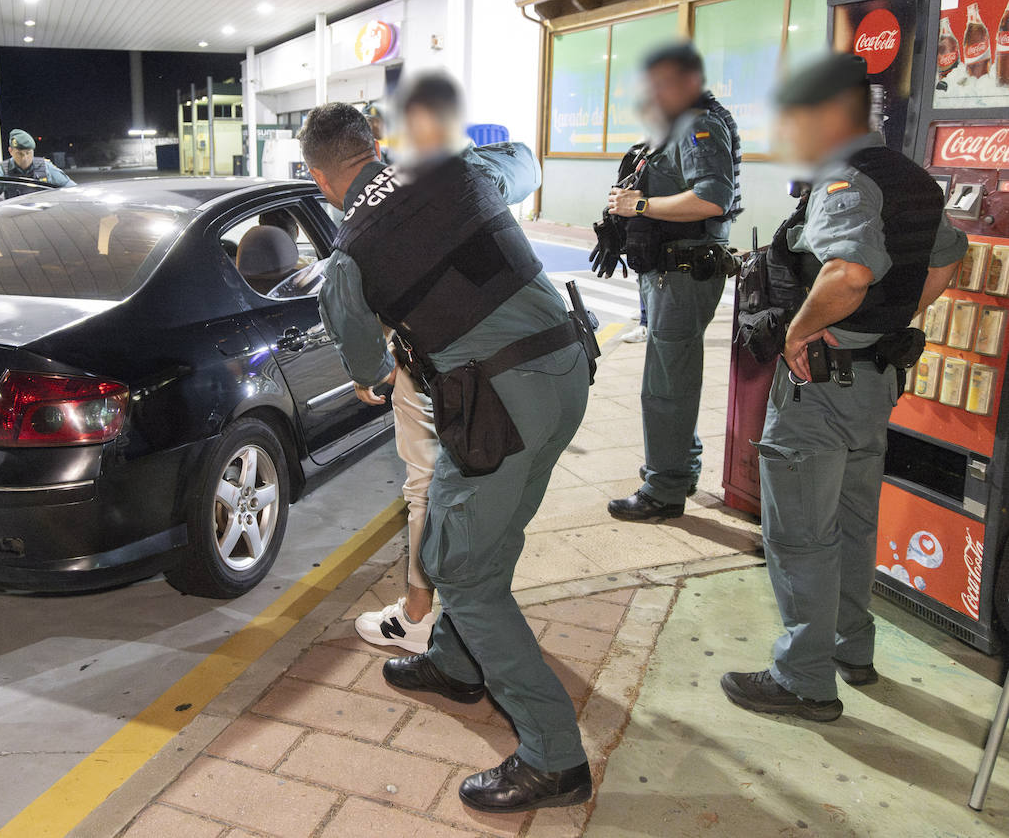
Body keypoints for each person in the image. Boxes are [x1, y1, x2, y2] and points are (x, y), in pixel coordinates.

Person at [307, 86, 594, 813]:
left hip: (502, 406)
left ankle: (554, 757)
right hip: (566, 369)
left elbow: (368, 366)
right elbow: (524, 165)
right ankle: (456, 662)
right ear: (374, 142)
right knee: (467, 520)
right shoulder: (453, 168)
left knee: (465, 572)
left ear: (318, 176)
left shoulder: (348, 255)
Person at [722, 53, 966, 720]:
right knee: (856, 523)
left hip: (822, 387)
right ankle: (852, 647)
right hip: (875, 382)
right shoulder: (912, 177)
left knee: (801, 530)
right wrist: (897, 316)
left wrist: (801, 331)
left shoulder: (845, 178)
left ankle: (803, 678)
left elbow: (849, 271)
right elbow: (948, 255)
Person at [351, 78, 538, 654]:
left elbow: (357, 311)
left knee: (427, 483)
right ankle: (462, 616)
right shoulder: (461, 178)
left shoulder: (381, 206)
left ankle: (419, 614)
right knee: (479, 491)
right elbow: (527, 167)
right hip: (517, 362)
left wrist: (368, 369)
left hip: (439, 365)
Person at [605, 42, 740, 522]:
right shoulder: (676, 126)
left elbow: (712, 198)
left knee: (666, 386)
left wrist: (638, 207)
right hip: (666, 273)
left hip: (682, 274)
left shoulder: (697, 125)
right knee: (670, 381)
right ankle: (678, 470)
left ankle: (663, 491)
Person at [0, 128, 73, 202]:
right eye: (20, 154)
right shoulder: (3, 170)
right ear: (11, 151)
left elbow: (71, 189)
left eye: (28, 153)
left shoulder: (46, 167)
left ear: (33, 151)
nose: (25, 158)